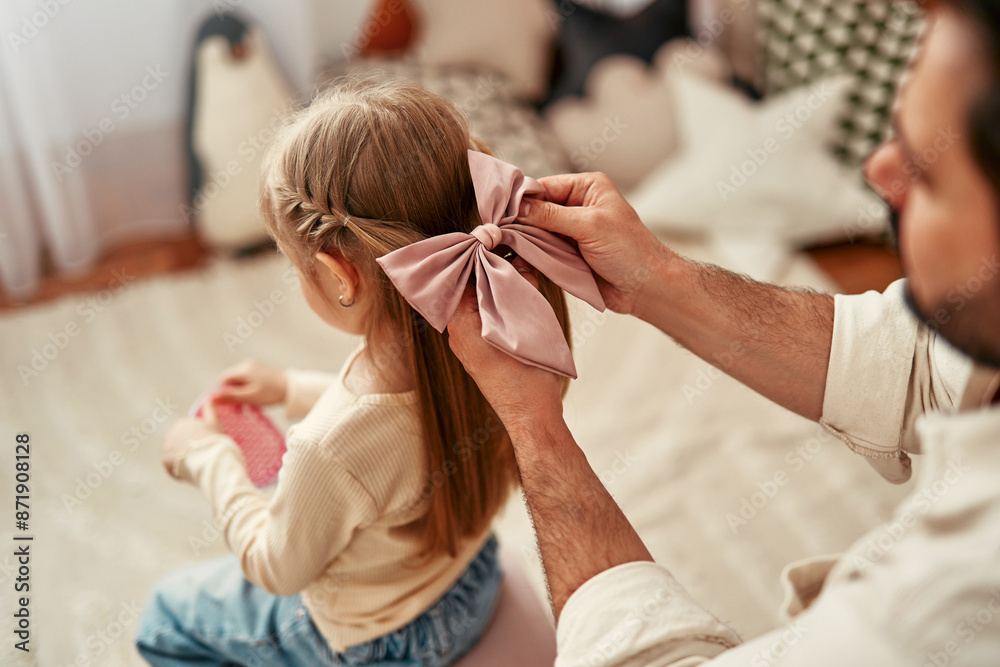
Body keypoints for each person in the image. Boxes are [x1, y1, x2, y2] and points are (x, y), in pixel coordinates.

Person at [446, 0, 1000, 664]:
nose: (880, 169)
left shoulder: (953, 601)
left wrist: (531, 422)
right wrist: (658, 278)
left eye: (929, 172)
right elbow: (915, 365)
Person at [135, 79, 574, 666]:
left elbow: (277, 566)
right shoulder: (500, 334)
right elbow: (404, 433)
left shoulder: (328, 449)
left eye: (295, 266)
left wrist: (208, 459)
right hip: (473, 586)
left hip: (375, 642)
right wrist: (291, 390)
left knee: (166, 616)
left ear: (340, 276)